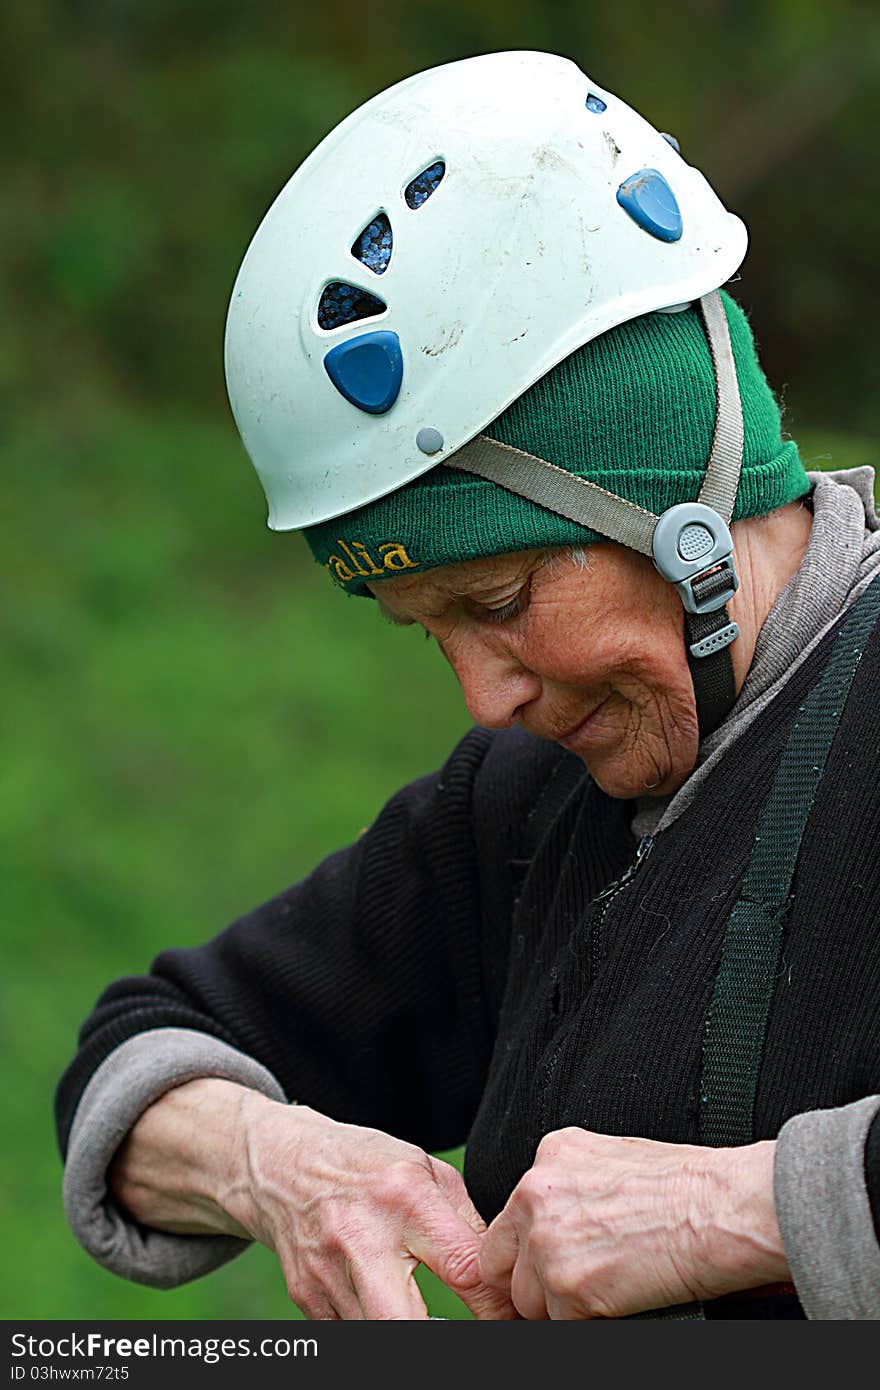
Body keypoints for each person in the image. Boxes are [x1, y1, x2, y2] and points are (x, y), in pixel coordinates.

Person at [56, 51, 880, 1320]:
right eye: (422, 628)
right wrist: (276, 1164)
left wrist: (756, 1205)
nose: (483, 699)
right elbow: (149, 1043)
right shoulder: (523, 805)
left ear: (679, 506)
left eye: (496, 605)